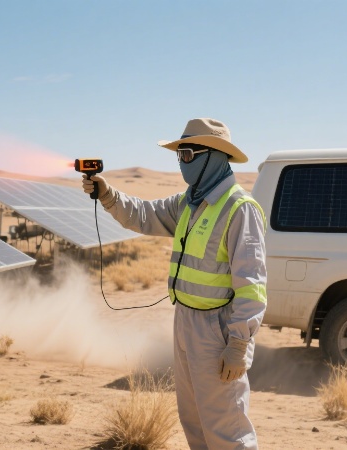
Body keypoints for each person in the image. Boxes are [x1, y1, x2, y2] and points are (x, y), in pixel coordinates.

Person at [82, 118, 267, 450]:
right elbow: (144, 214)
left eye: (187, 154)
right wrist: (108, 195)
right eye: (179, 154)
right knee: (194, 420)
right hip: (185, 321)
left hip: (218, 328)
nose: (182, 162)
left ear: (213, 156)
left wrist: (239, 344)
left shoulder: (240, 209)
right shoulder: (189, 202)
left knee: (226, 427)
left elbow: (252, 286)